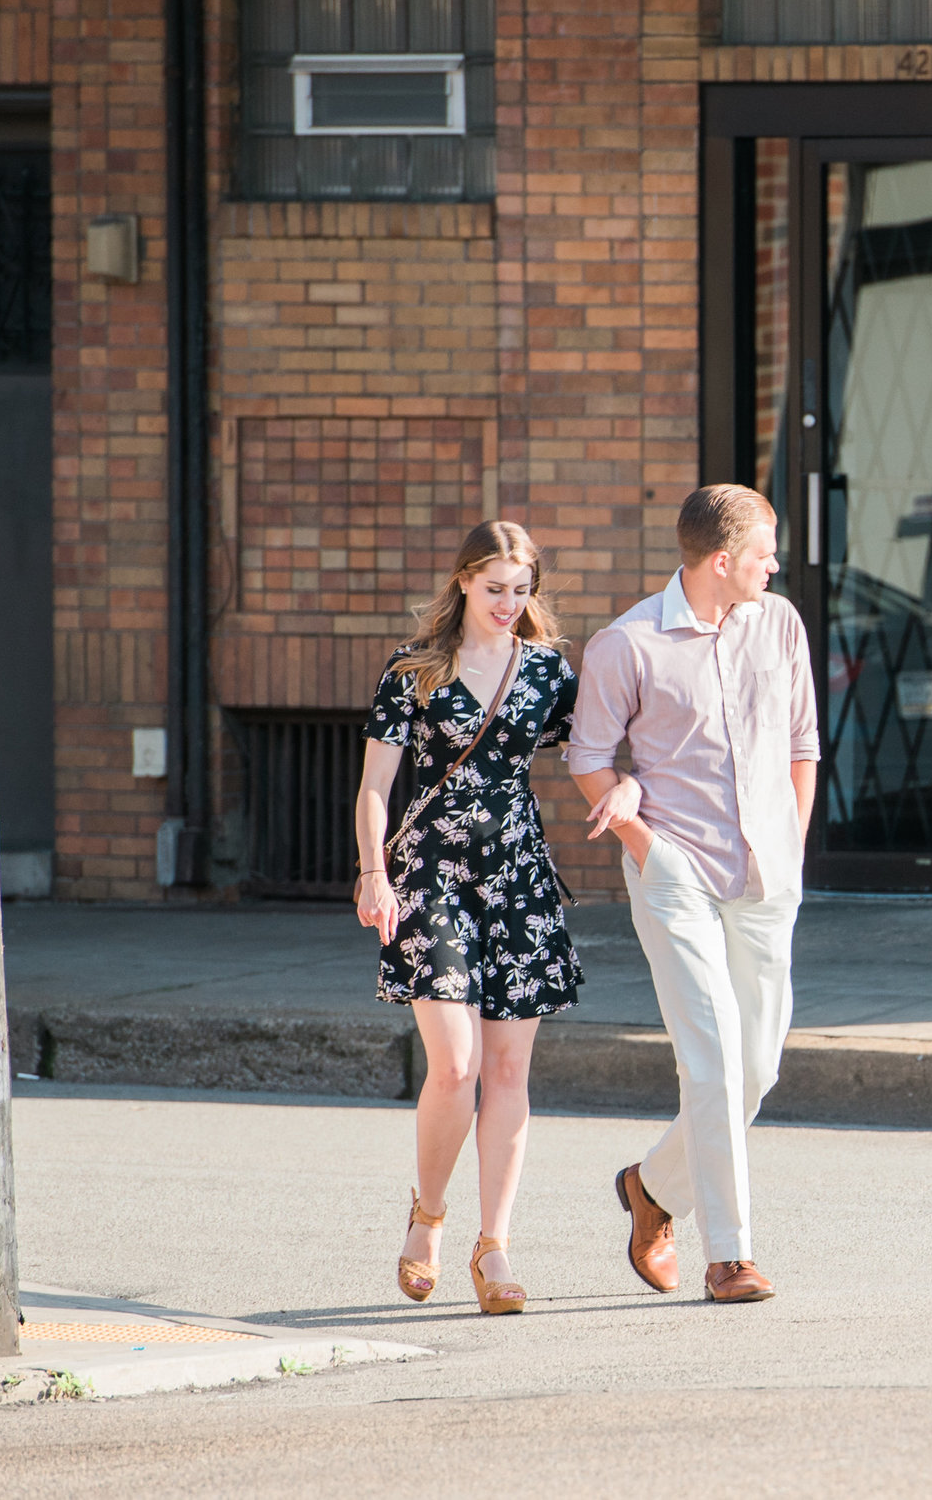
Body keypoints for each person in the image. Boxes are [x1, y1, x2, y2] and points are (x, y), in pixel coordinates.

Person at [569, 484, 818, 1304]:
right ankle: (731, 1254)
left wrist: (793, 844)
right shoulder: (628, 644)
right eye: (763, 552)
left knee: (757, 1069)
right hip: (677, 877)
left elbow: (801, 743)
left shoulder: (779, 624)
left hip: (766, 875)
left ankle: (650, 1187)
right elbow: (590, 758)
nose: (774, 565)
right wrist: (650, 852)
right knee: (709, 1061)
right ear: (722, 561)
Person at [355, 520, 580, 1315]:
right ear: (462, 584)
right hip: (430, 877)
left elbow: (593, 748)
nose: (510, 605)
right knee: (454, 1065)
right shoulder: (416, 671)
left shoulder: (548, 671)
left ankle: (495, 1245)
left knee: (509, 1071)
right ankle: (428, 1215)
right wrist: (374, 870)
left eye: (523, 592)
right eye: (496, 590)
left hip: (517, 879)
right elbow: (377, 784)